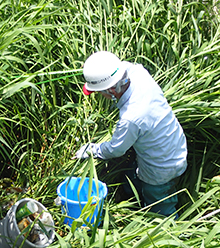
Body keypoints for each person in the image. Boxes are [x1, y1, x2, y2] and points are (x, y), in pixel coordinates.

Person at [74, 51, 187, 217]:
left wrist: (91, 149)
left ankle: (170, 233)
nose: (100, 96)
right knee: (133, 177)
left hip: (160, 169)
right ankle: (130, 193)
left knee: (161, 207)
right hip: (175, 143)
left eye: (100, 92)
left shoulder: (131, 118)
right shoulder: (137, 72)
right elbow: (115, 68)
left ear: (111, 90)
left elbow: (116, 150)